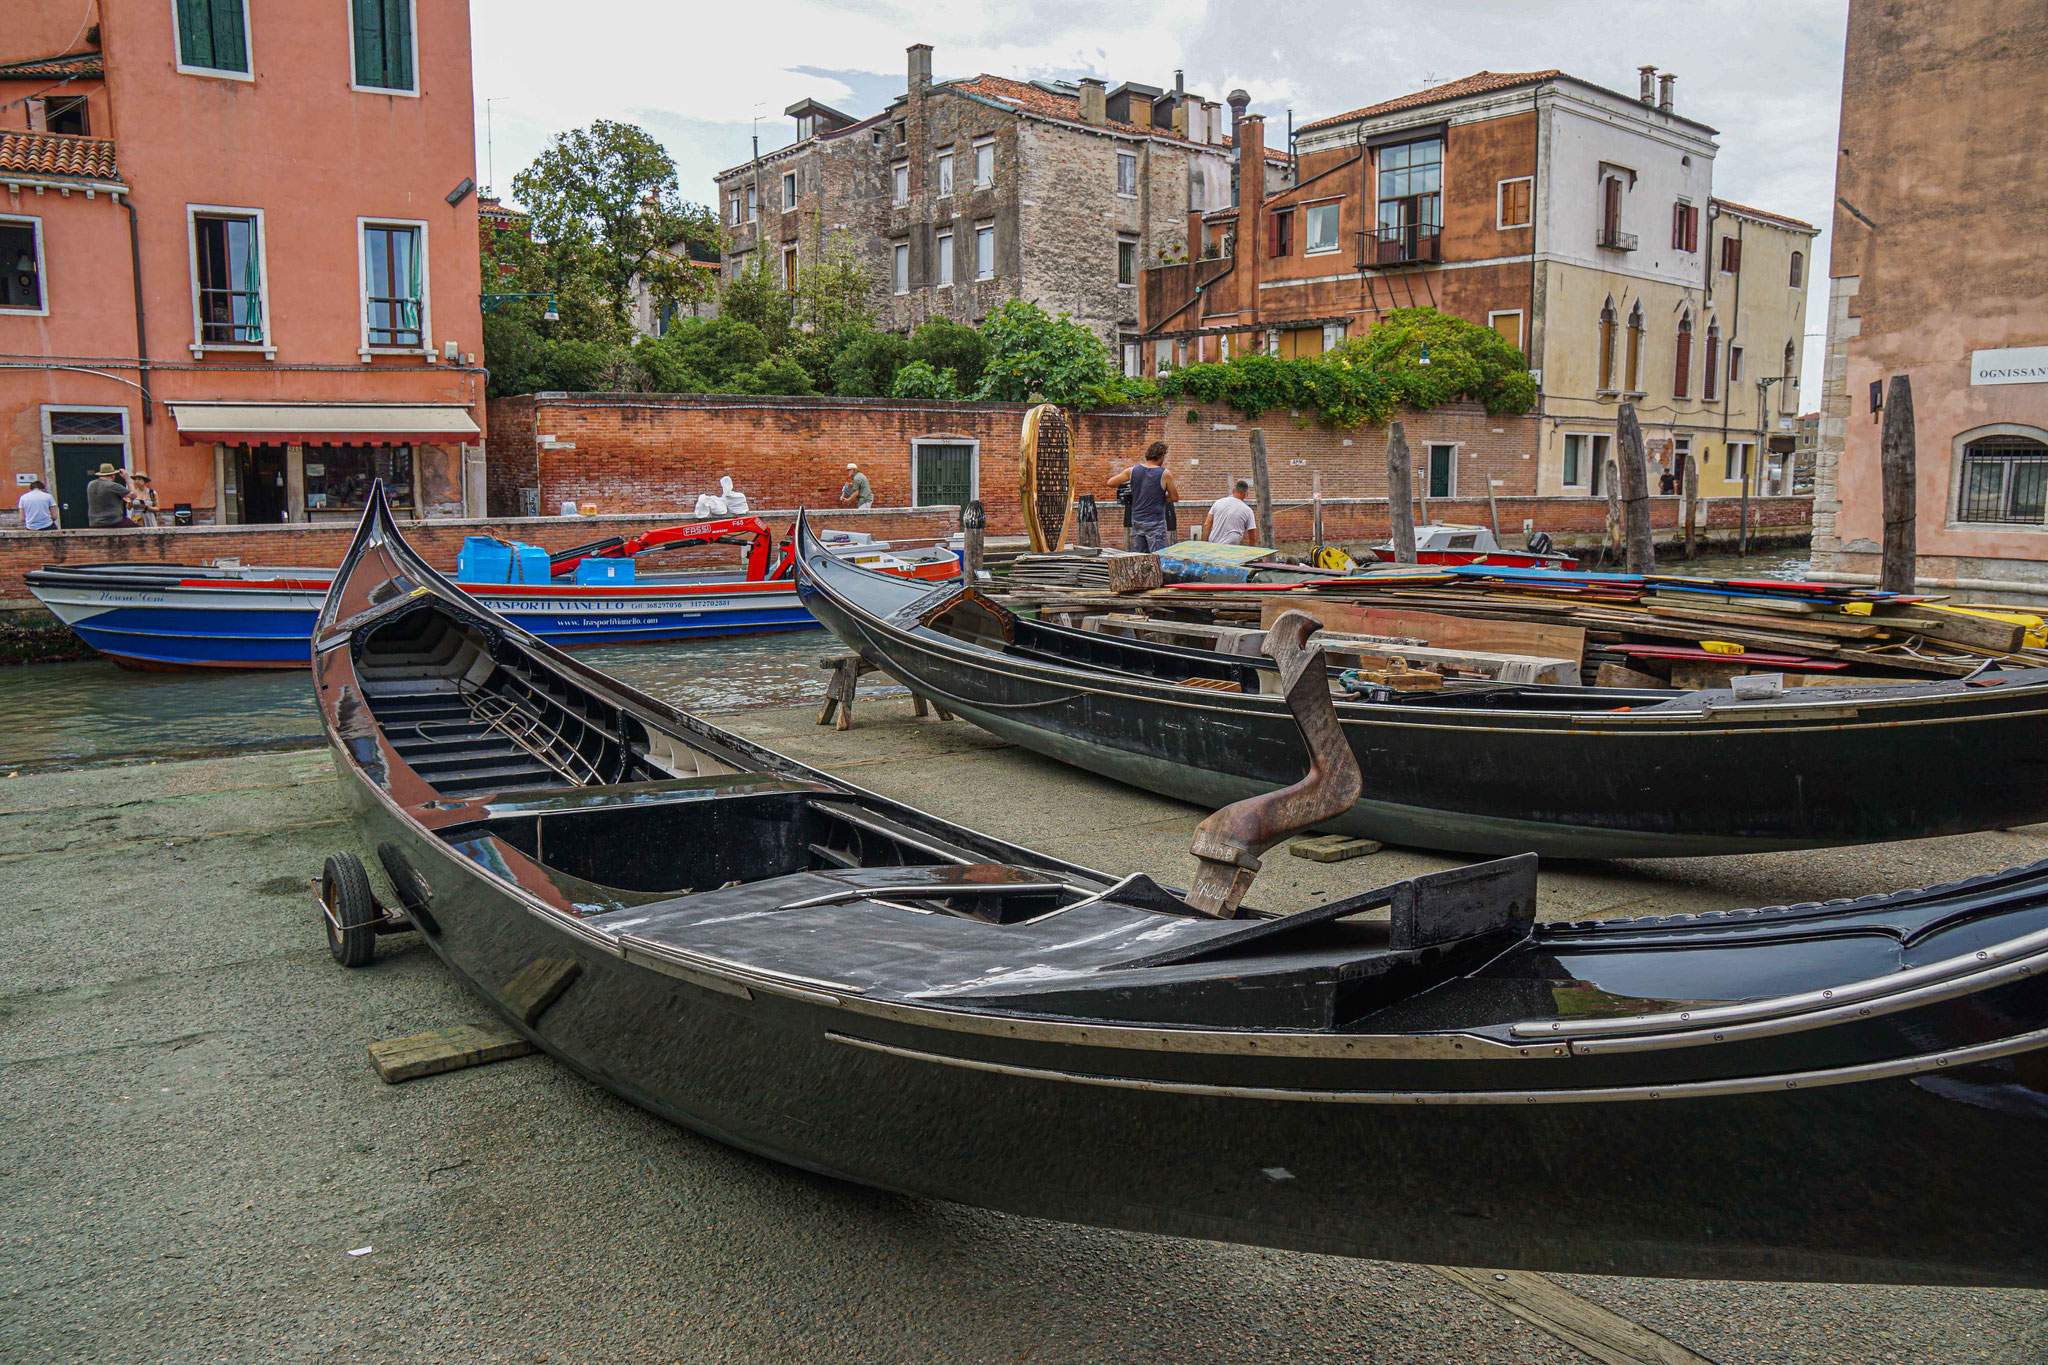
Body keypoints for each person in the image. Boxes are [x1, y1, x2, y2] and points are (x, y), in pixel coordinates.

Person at [1107, 441, 1180, 554]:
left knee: (1140, 557)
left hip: (1137, 520)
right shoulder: (1164, 473)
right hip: (1155, 522)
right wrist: (1160, 498)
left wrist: (1132, 487)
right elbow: (1174, 497)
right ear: (1161, 457)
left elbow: (1110, 483)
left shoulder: (1132, 471)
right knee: (1157, 558)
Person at [1202, 478, 1260, 546]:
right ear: (1246, 493)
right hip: (1231, 549)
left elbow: (1207, 525)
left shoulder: (1218, 503)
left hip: (1213, 546)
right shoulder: (1248, 510)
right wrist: (1250, 554)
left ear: (1233, 490)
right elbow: (1252, 537)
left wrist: (1204, 545)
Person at [86, 463, 134, 528]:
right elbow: (133, 495)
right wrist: (127, 479)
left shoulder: (90, 485)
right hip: (113, 521)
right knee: (139, 530)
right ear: (113, 476)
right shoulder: (112, 486)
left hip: (94, 522)